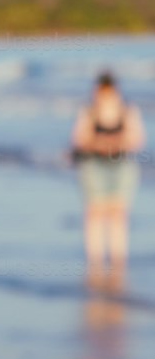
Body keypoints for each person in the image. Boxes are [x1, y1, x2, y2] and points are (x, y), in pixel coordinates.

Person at [71, 71, 145, 286]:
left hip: (122, 166)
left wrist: (109, 143)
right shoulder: (89, 111)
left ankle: (118, 262)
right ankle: (94, 264)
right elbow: (79, 140)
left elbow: (137, 140)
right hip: (93, 165)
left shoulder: (128, 111)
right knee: (95, 213)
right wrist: (103, 144)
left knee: (118, 214)